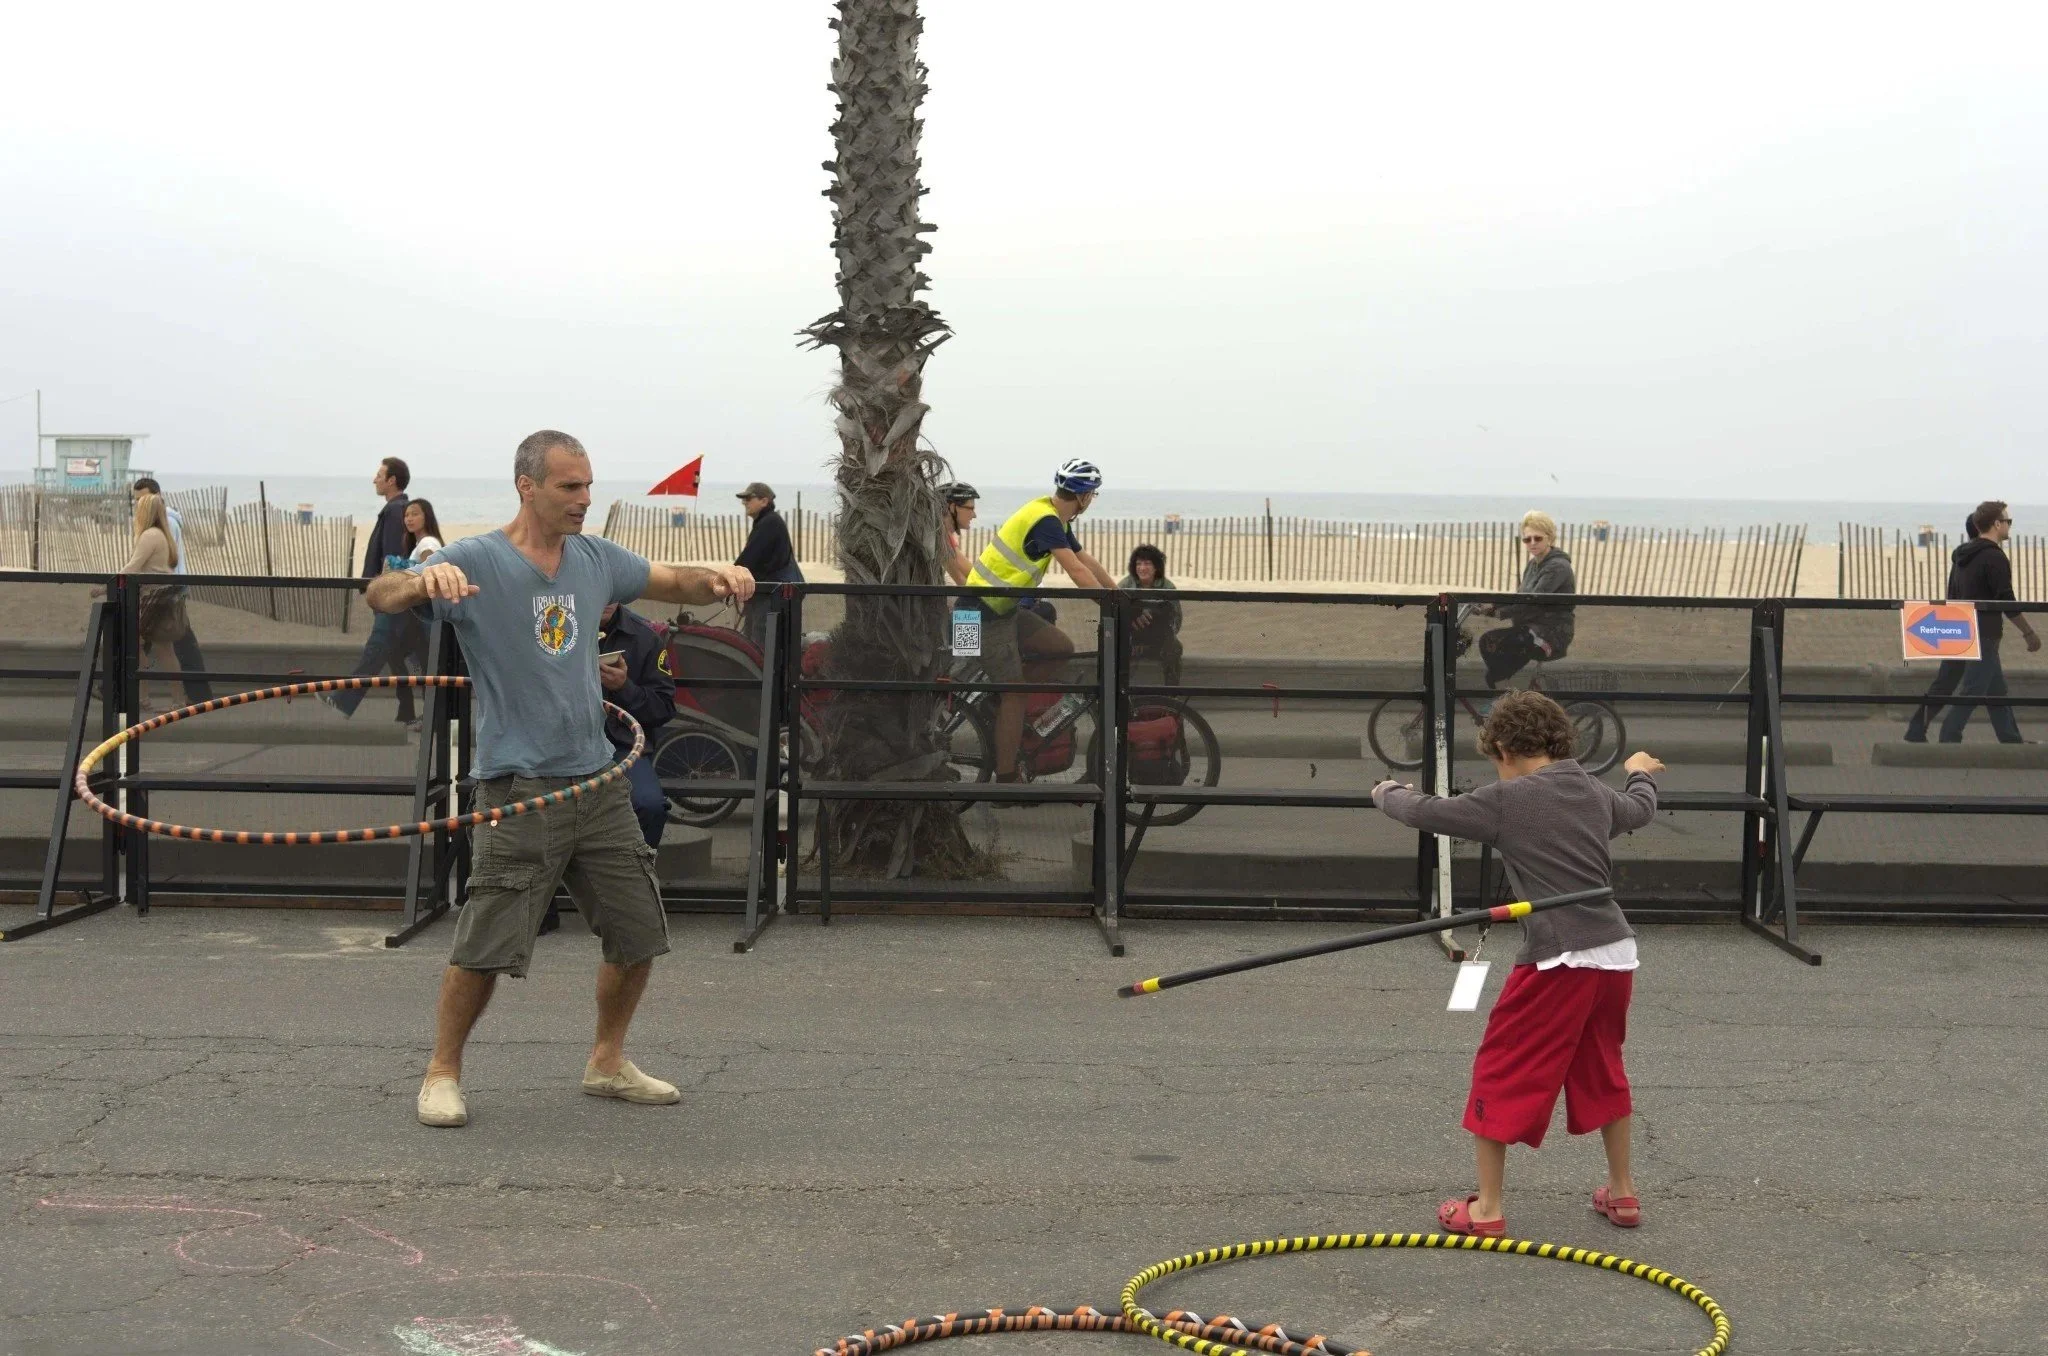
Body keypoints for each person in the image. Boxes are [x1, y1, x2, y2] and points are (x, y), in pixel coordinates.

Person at [366, 429, 753, 1129]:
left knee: (638, 936)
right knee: (485, 947)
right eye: (570, 487)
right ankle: (441, 1073)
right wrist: (425, 579)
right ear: (528, 486)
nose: (584, 499)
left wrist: (721, 574)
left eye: (587, 485)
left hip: (596, 780)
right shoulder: (478, 559)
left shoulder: (595, 560)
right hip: (519, 786)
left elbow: (672, 580)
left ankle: (607, 1062)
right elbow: (379, 593)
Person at [1370, 691, 1664, 1236]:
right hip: (1616, 954)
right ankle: (1623, 1195)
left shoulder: (1508, 801)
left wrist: (1386, 791)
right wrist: (1640, 771)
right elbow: (1640, 809)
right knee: (1601, 1065)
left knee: (1501, 1066)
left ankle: (1485, 1209)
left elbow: (1426, 811)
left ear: (1503, 748)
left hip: (1559, 960)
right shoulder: (1594, 791)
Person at [964, 459, 1120, 783]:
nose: (1092, 500)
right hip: (977, 615)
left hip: (1002, 610)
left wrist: (1118, 595)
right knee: (1015, 694)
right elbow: (1076, 571)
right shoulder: (1046, 520)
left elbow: (1083, 558)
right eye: (1093, 494)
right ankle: (1006, 779)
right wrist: (1109, 606)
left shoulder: (1053, 515)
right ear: (1084, 496)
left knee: (1059, 647)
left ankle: (1004, 704)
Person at [540, 598, 676, 935]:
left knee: (649, 805)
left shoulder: (643, 638)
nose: (604, 601)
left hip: (620, 745)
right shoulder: (556, 627)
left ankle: (629, 900)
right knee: (527, 801)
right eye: (599, 592)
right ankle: (541, 906)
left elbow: (662, 707)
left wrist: (624, 688)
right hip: (562, 743)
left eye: (613, 593)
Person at [1925, 500, 2041, 744]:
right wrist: (2028, 632)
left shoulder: (1963, 556)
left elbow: (1953, 594)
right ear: (1996, 524)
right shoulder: (1994, 557)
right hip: (1985, 633)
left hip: (1964, 628)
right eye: (2007, 521)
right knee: (1974, 689)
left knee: (1996, 690)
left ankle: (2011, 740)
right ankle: (1949, 735)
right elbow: (2006, 601)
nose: (2009, 526)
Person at [329, 457, 417, 724]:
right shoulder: (397, 509)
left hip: (390, 597)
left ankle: (343, 700)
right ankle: (408, 713)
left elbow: (391, 556)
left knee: (377, 648)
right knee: (397, 655)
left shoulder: (394, 510)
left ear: (392, 480)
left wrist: (382, 593)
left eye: (379, 475)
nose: (374, 479)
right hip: (395, 595)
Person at [130, 477, 213, 706]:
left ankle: (193, 695)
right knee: (155, 643)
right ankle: (188, 696)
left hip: (167, 590)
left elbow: (164, 561)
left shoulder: (165, 524)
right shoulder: (158, 525)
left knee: (174, 644)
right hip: (165, 589)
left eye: (143, 499)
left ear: (156, 496)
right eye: (136, 500)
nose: (138, 504)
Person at [1901, 512, 1981, 742]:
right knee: (1964, 684)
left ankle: (1918, 728)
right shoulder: (1982, 557)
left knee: (1947, 683)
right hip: (1971, 627)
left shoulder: (1962, 556)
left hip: (1956, 622)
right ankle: (1945, 731)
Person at [1476, 511, 1576, 692]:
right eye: (1527, 539)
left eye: (1537, 538)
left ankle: (1508, 698)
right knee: (1488, 643)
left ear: (1550, 538)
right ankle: (1507, 695)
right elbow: (1520, 596)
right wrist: (1491, 606)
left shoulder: (1558, 567)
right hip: (1530, 628)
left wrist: (1498, 612)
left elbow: (1533, 600)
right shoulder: (1533, 564)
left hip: (1550, 633)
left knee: (1495, 644)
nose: (1532, 543)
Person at [393, 498, 447, 733]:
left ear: (427, 516)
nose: (409, 518)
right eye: (406, 515)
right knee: (421, 664)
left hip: (427, 619)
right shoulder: (417, 541)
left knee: (425, 665)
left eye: (414, 513)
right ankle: (426, 716)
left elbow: (428, 565)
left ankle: (430, 719)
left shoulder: (427, 542)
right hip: (421, 619)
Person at [734, 482, 802, 646]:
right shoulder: (767, 521)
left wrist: (731, 575)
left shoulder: (770, 522)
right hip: (769, 592)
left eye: (749, 498)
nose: (744, 502)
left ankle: (762, 672)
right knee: (756, 640)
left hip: (772, 594)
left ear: (764, 501)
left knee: (761, 644)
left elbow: (749, 559)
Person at [1120, 543, 1183, 686]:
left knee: (1175, 648)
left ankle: (1171, 695)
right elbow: (1115, 614)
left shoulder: (1168, 587)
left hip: (1159, 638)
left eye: (1147, 563)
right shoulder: (1125, 585)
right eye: (1138, 564)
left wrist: (1160, 630)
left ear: (1156, 567)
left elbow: (1176, 621)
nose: (1142, 568)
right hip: (1131, 637)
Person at [940, 482, 979, 586]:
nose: (974, 515)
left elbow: (971, 574)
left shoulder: (943, 533)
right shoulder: (938, 536)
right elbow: (963, 580)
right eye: (970, 509)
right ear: (952, 507)